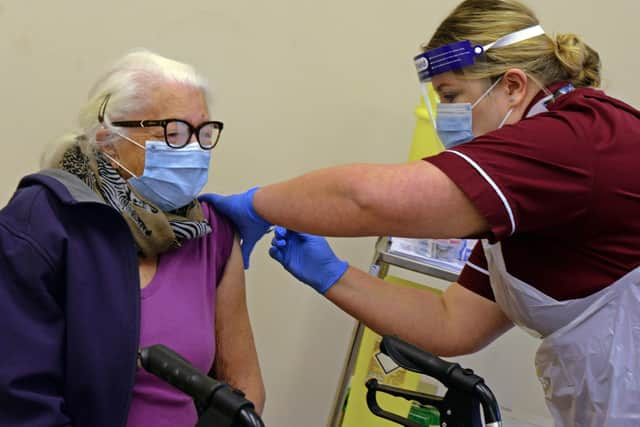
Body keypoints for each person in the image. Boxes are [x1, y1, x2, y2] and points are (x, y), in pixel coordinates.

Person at [199, 1, 640, 426]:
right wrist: (331, 274)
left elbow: (367, 199)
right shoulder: (534, 186)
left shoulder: (572, 141)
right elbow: (454, 323)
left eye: (451, 96)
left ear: (512, 86)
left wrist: (254, 204)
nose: (444, 116)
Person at [0, 49, 264, 427]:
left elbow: (243, 383)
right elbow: (18, 398)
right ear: (109, 140)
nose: (194, 150)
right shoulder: (44, 223)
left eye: (203, 134)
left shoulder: (211, 234)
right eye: (173, 133)